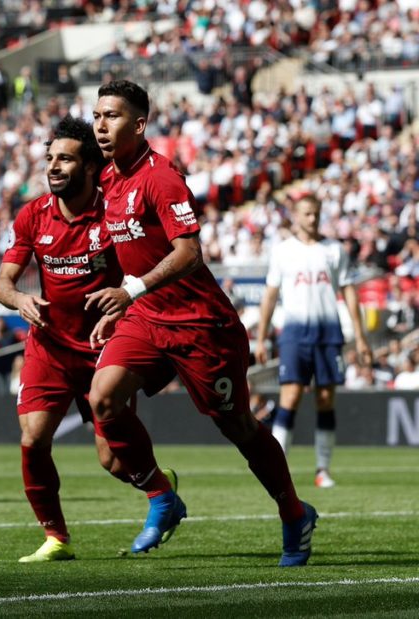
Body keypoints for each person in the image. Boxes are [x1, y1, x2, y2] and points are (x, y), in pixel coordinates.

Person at [86, 80, 317, 567]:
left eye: (112, 116)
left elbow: (189, 252)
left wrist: (129, 290)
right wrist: (121, 306)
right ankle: (161, 496)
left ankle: (294, 513)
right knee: (102, 397)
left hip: (200, 326)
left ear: (140, 124)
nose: (101, 125)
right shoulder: (107, 178)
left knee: (238, 428)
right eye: (97, 115)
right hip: (146, 318)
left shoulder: (162, 178)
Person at [0, 115, 175, 562]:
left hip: (103, 349)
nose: (53, 167)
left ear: (91, 167)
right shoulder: (33, 215)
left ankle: (161, 487)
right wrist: (19, 299)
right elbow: (3, 282)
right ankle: (56, 537)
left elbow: (145, 269)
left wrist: (126, 310)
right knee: (33, 438)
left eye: (65, 159)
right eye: (49, 158)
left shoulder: (115, 213)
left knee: (112, 462)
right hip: (50, 347)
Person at [255, 195, 372, 488]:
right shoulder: (282, 251)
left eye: (316, 214)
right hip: (294, 335)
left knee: (325, 400)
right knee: (290, 397)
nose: (312, 219)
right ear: (295, 216)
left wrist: (360, 337)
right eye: (307, 214)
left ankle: (323, 469)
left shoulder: (334, 250)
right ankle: (278, 471)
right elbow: (270, 295)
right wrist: (260, 337)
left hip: (328, 334)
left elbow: (349, 292)